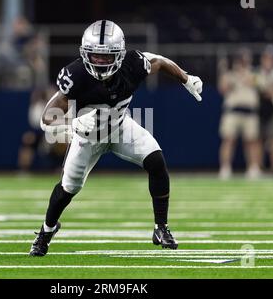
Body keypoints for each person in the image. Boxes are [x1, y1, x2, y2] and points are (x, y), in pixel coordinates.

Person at [29, 20, 203, 256]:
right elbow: (46, 119)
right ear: (84, 54)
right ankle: (46, 232)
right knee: (68, 188)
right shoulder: (76, 75)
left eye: (106, 57)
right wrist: (72, 124)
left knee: (156, 161)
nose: (99, 62)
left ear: (119, 55)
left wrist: (186, 79)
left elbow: (160, 62)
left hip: (120, 127)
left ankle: (160, 227)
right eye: (95, 56)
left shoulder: (133, 64)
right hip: (86, 137)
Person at [218, 48, 261, 180]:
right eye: (242, 59)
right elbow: (222, 88)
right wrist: (224, 71)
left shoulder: (254, 73)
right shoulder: (230, 74)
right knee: (228, 140)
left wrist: (245, 75)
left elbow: (260, 85)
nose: (244, 61)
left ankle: (253, 168)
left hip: (250, 112)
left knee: (252, 141)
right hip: (233, 111)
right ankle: (225, 168)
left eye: (246, 59)